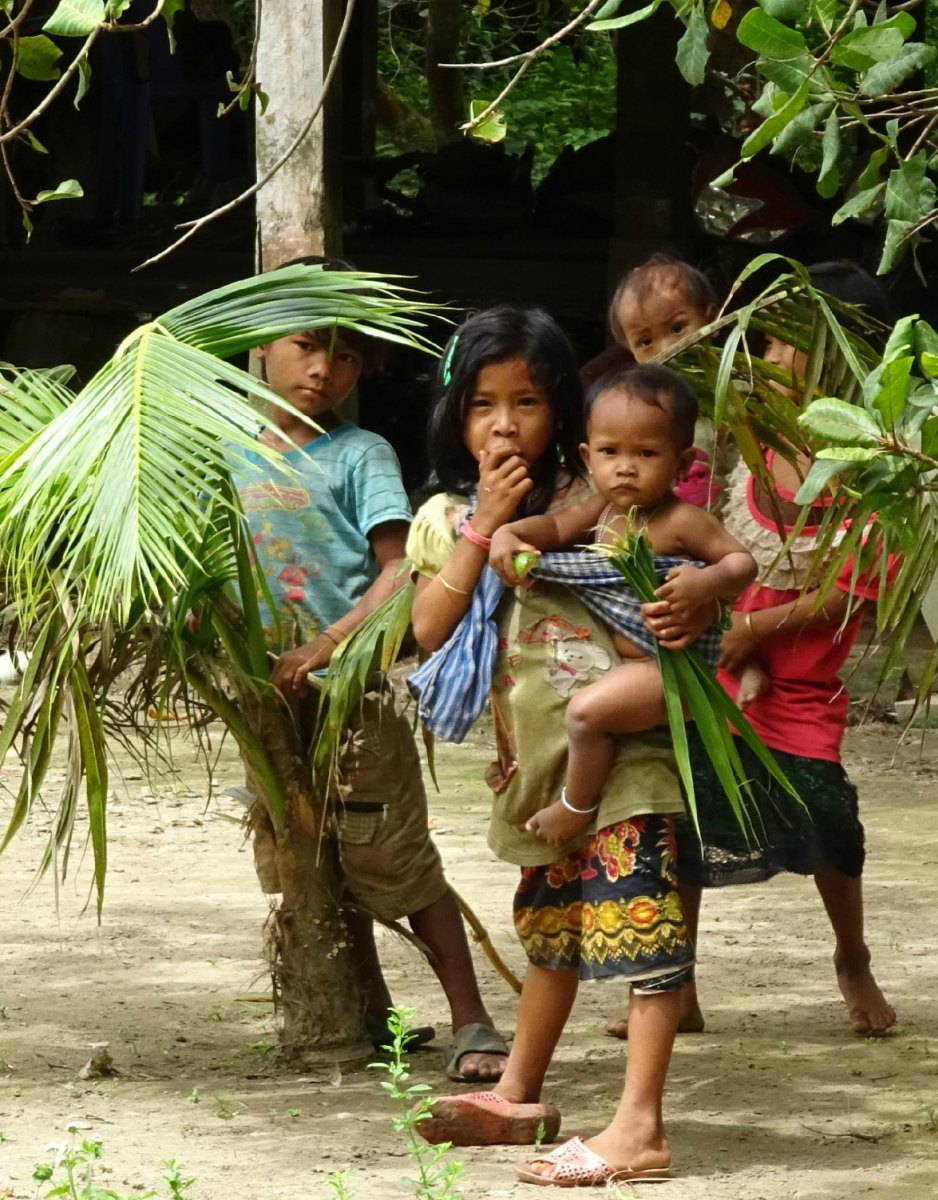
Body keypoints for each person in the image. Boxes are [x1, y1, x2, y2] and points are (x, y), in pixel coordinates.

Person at [407, 306, 706, 1185]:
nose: (504, 425)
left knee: (643, 928)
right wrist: (487, 522)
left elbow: (687, 590)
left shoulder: (614, 500)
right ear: (455, 414)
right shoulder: (452, 516)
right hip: (538, 772)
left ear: (566, 416)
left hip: (632, 763)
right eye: (483, 404)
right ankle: (519, 1092)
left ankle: (640, 1126)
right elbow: (429, 629)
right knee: (554, 931)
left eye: (528, 402)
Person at [230, 267, 507, 1082]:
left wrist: (329, 644)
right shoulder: (224, 448)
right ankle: (366, 1014)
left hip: (353, 690)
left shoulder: (359, 453)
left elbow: (398, 569)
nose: (325, 369)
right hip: (263, 694)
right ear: (262, 346)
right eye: (307, 346)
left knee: (392, 855)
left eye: (346, 357)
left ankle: (471, 1019)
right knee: (304, 855)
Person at [605, 306, 898, 1044]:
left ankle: (853, 956)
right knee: (688, 819)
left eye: (797, 347)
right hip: (715, 677)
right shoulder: (741, 451)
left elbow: (851, 591)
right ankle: (678, 986)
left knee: (829, 819)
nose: (777, 360)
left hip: (803, 686)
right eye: (768, 345)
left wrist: (754, 630)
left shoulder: (876, 466)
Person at [487, 363, 756, 846]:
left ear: (682, 463)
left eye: (646, 453)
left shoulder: (682, 520)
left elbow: (742, 563)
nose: (625, 467)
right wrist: (509, 533)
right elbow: (553, 529)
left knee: (584, 715)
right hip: (624, 667)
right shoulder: (602, 510)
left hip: (668, 670)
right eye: (610, 452)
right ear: (588, 457)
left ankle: (576, 806)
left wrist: (705, 582)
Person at [607, 253, 726, 509]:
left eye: (677, 328)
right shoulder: (634, 410)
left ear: (712, 320)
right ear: (630, 351)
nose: (667, 349)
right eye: (646, 342)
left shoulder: (739, 393)